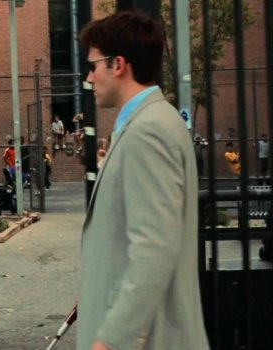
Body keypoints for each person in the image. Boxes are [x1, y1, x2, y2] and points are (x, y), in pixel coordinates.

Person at [77, 11, 209, 350]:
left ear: (118, 64)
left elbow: (154, 247)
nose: (89, 78)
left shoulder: (147, 130)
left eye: (93, 66)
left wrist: (111, 338)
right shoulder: (149, 122)